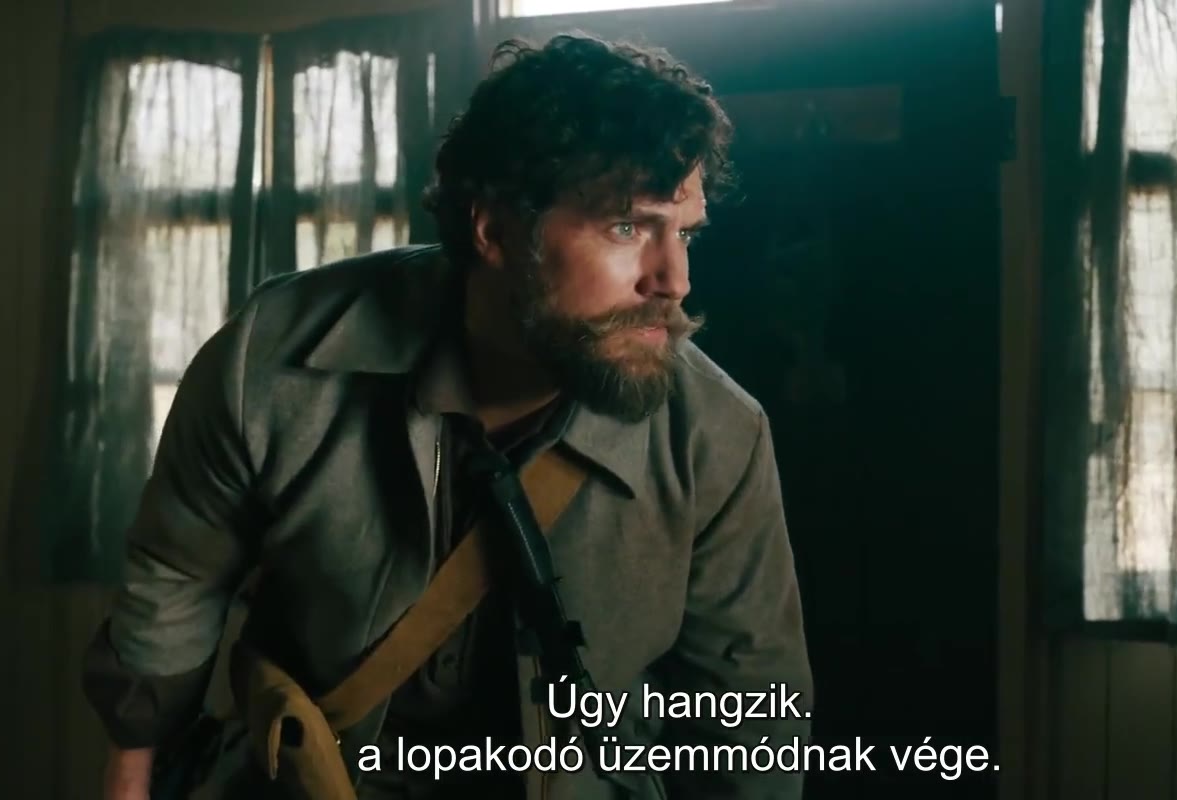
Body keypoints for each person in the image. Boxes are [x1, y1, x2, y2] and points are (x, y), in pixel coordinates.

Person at [82, 33, 814, 800]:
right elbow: (178, 574)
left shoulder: (718, 434)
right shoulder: (273, 360)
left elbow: (750, 715)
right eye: (627, 227)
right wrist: (133, 770)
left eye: (684, 232)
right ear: (493, 229)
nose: (674, 279)